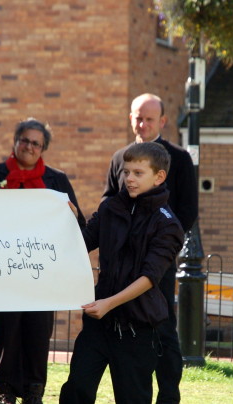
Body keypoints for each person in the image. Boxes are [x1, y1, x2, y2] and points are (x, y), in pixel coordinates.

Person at [60, 142, 184, 404]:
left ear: (158, 177)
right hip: (98, 325)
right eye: (126, 172)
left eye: (138, 173)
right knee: (76, 390)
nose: (129, 178)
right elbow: (82, 243)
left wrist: (109, 303)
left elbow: (150, 278)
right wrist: (68, 221)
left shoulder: (168, 224)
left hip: (138, 329)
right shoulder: (111, 207)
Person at [0, 118, 86, 404]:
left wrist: (70, 214)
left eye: (36, 143)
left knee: (37, 332)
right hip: (1, 271)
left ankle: (34, 390)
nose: (29, 147)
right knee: (4, 331)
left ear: (43, 148)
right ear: (15, 141)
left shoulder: (56, 180)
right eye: (24, 140)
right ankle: (5, 391)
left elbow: (77, 224)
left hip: (40, 273)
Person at [103, 93, 198, 403]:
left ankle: (168, 394)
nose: (141, 124)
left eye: (148, 119)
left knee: (163, 325)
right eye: (137, 117)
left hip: (158, 259)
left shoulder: (179, 159)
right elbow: (109, 201)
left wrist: (163, 243)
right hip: (122, 260)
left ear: (162, 121)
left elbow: (187, 209)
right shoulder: (120, 158)